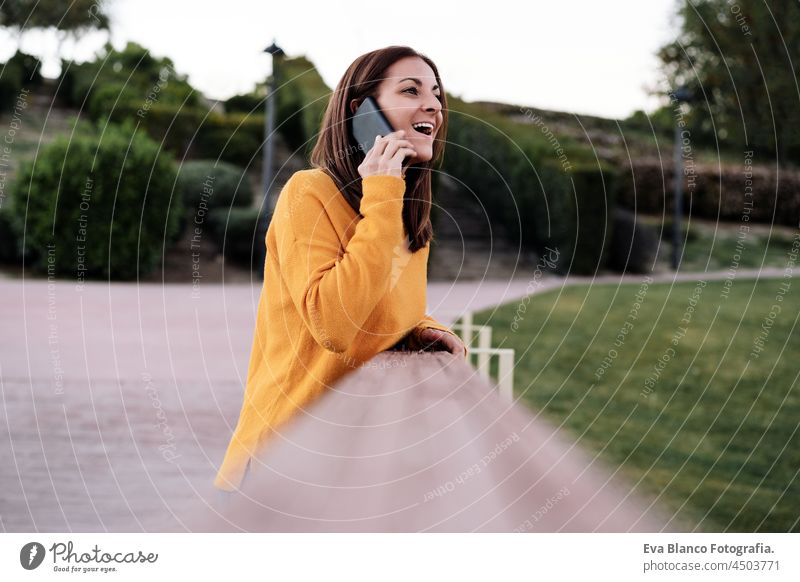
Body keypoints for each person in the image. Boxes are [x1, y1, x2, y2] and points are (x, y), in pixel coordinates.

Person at [213, 46, 467, 494]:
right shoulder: (308, 193)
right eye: (411, 90)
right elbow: (334, 325)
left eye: (436, 94)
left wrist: (421, 327)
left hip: (354, 460)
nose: (433, 105)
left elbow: (379, 308)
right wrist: (383, 194)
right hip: (284, 457)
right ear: (361, 111)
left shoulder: (402, 213)